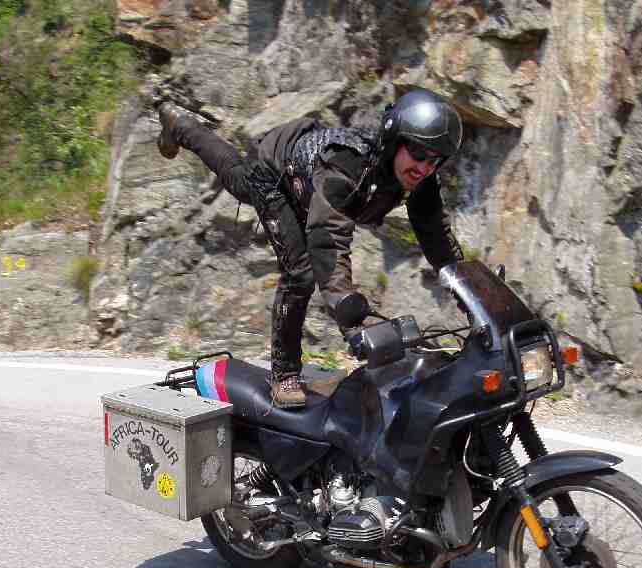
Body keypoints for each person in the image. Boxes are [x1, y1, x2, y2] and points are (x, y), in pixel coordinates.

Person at [156, 87, 465, 408]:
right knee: (299, 272)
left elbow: (440, 243)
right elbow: (328, 241)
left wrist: (476, 300)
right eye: (418, 153)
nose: (425, 167)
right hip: (276, 172)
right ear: (394, 140)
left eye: (436, 160)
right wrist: (350, 319)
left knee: (238, 178)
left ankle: (180, 125)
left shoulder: (421, 180)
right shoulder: (348, 167)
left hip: (307, 181)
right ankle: (284, 372)